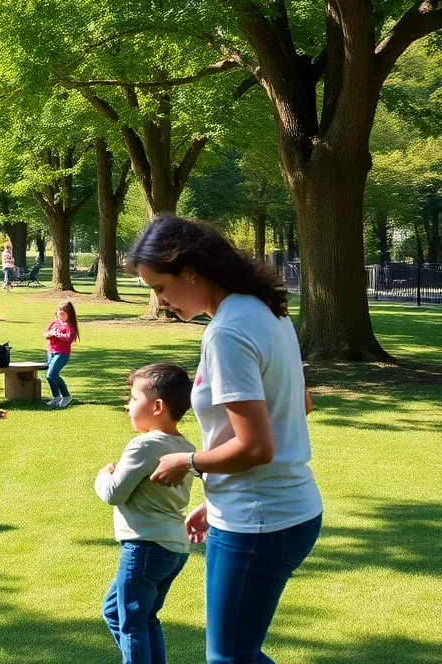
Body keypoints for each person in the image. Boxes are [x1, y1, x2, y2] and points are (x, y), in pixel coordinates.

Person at [133, 216, 322, 664]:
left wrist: (190, 463)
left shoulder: (229, 331)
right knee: (238, 654)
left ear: (191, 271)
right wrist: (216, 497)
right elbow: (302, 403)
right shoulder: (261, 310)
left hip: (262, 518)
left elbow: (256, 447)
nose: (159, 302)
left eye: (160, 288)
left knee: (230, 657)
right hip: (268, 509)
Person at [95, 364, 197, 664]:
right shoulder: (185, 446)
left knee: (133, 623)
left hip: (145, 546)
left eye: (133, 397)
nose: (127, 405)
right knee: (127, 613)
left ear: (157, 406)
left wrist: (102, 475)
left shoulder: (144, 445)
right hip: (174, 548)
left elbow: (114, 493)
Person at [44, 300, 80, 408]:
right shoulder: (54, 323)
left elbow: (69, 338)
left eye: (63, 313)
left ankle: (66, 396)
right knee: (52, 376)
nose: (60, 314)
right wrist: (50, 334)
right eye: (59, 311)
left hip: (62, 354)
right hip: (51, 352)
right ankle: (56, 397)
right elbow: (46, 333)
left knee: (51, 374)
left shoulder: (69, 326)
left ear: (69, 314)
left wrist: (57, 334)